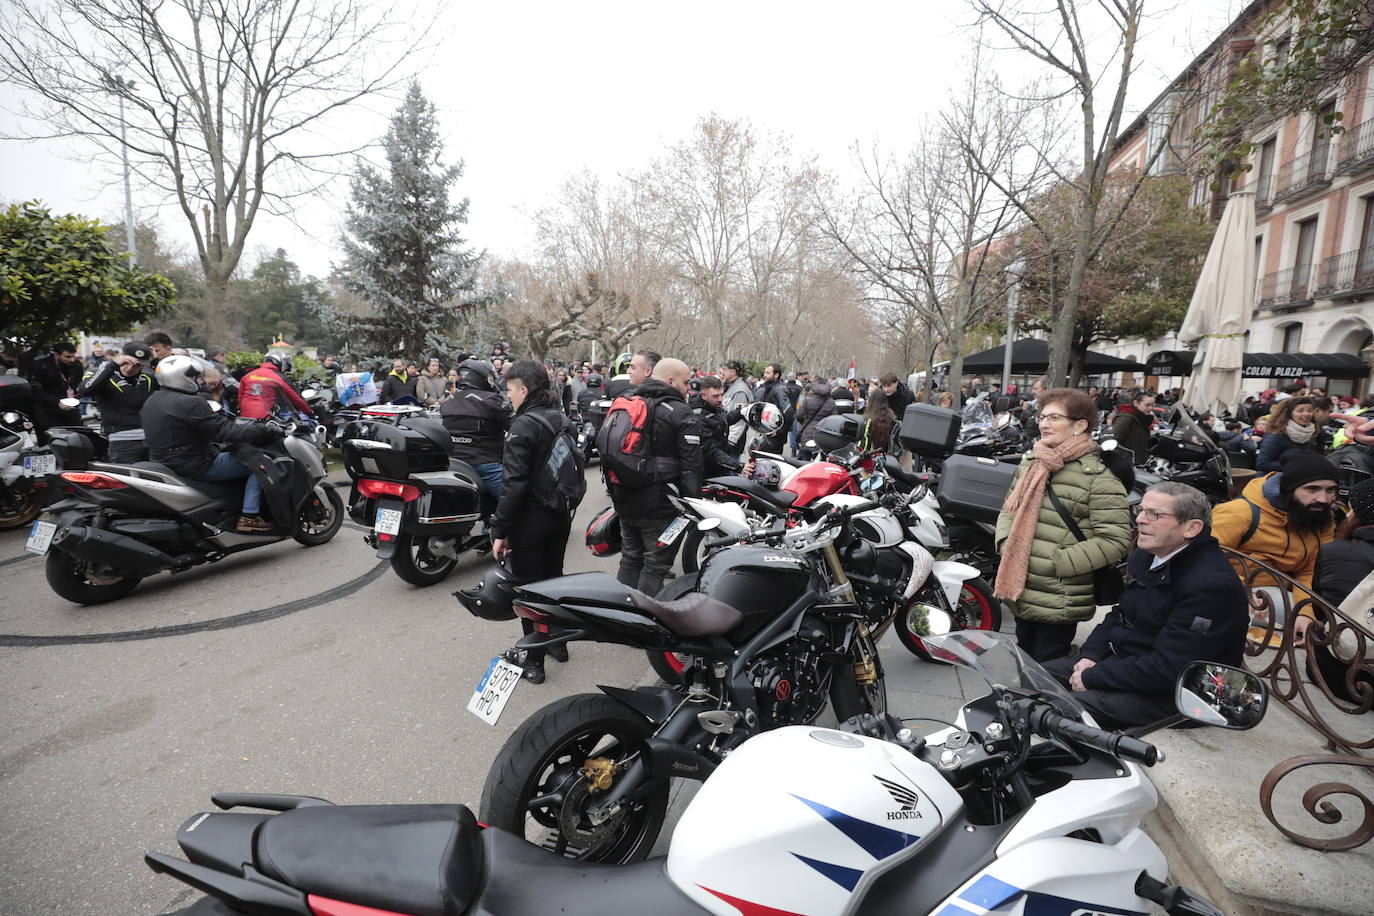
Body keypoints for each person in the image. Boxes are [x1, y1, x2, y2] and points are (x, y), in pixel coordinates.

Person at [1041, 482, 1248, 729]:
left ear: (1192, 528)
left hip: (1178, 694)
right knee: (1026, 676)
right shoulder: (1150, 554)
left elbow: (1170, 669)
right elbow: (1120, 614)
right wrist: (1089, 656)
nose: (1140, 519)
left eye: (1155, 515)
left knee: (1053, 712)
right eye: (1141, 510)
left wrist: (1092, 676)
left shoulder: (1210, 585)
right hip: (1129, 664)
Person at [994, 387, 1133, 662]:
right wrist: (1004, 542)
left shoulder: (1100, 477)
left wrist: (1059, 563)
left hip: (1061, 595)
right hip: (1022, 586)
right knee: (1023, 660)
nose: (1043, 424)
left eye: (1054, 418)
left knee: (1048, 666)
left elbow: (1116, 540)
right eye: (1042, 416)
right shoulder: (1033, 461)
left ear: (1080, 425)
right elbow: (1010, 507)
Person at [489, 360, 577, 684]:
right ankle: (560, 644)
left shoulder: (522, 426)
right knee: (554, 581)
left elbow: (513, 485)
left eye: (510, 389)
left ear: (524, 390)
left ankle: (534, 660)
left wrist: (500, 530)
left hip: (531, 521)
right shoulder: (562, 418)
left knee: (528, 591)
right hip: (560, 515)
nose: (508, 396)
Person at [141, 355, 282, 532]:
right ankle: (250, 516)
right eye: (194, 377)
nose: (199, 381)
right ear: (181, 378)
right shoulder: (191, 402)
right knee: (261, 461)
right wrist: (262, 429)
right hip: (197, 465)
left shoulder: (153, 400)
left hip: (165, 461)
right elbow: (226, 432)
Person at [1212, 453, 1338, 642]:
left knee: (1321, 622)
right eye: (1312, 489)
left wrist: (1305, 614)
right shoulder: (1239, 513)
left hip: (1280, 591)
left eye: (1330, 490)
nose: (1323, 498)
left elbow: (1309, 572)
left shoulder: (1321, 519)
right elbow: (1204, 556)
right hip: (1230, 588)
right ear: (1289, 489)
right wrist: (1239, 591)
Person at [609, 357, 703, 596]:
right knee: (656, 564)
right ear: (671, 381)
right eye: (686, 382)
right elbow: (691, 465)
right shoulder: (681, 412)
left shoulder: (630, 401)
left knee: (630, 558)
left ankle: (619, 615)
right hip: (661, 503)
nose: (689, 388)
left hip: (624, 496)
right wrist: (694, 506)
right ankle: (642, 623)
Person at [440, 359, 510, 511]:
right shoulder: (492, 401)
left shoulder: (448, 401)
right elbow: (517, 427)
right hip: (485, 465)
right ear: (484, 378)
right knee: (515, 504)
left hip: (453, 463)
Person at [76, 344, 157, 462]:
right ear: (121, 357)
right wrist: (112, 365)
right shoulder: (103, 373)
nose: (130, 368)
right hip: (119, 440)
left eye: (137, 365)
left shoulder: (148, 377)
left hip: (149, 439)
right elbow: (83, 391)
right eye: (126, 363)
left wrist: (155, 360)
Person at [24, 341, 83, 432]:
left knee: (78, 436)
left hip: (70, 409)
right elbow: (35, 391)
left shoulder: (76, 366)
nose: (72, 360)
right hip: (46, 411)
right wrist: (57, 402)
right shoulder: (40, 366)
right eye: (67, 357)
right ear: (56, 355)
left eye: (73, 356)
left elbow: (78, 383)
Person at [692, 375, 744, 478]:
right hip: (707, 473)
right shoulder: (698, 417)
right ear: (703, 396)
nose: (720, 399)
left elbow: (722, 421)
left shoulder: (713, 407)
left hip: (721, 467)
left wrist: (740, 412)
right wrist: (738, 466)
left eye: (722, 395)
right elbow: (710, 452)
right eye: (715, 396)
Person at [1256, 396, 1323, 472]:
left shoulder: (1313, 433)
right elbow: (1262, 464)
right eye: (1300, 411)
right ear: (1288, 414)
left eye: (1309, 410)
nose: (1306, 414)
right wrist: (1296, 466)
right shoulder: (1276, 435)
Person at [238, 352, 312, 420]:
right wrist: (309, 412)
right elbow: (296, 398)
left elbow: (240, 398)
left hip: (245, 419)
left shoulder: (247, 376)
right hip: (266, 419)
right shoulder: (279, 377)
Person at [754, 363, 794, 453]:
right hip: (765, 432)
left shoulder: (780, 389)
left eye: (768, 373)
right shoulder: (765, 387)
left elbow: (789, 412)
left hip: (774, 437)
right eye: (765, 372)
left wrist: (779, 431)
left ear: (776, 375)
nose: (765, 375)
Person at [1109, 389, 1155, 465]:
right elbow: (1114, 441)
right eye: (1147, 405)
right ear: (1136, 403)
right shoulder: (1126, 419)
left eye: (1152, 405)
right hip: (1127, 465)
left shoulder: (1143, 419)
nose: (1150, 408)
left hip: (1138, 464)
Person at [795, 377, 836, 459]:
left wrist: (804, 422)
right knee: (820, 457)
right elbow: (834, 419)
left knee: (804, 458)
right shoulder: (831, 403)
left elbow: (799, 415)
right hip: (823, 434)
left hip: (807, 433)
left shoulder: (807, 400)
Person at [719, 360, 753, 457]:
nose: (721, 373)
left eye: (724, 370)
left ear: (733, 372)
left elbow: (739, 421)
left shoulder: (740, 391)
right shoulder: (729, 387)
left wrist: (730, 443)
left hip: (732, 443)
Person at [859, 386, 895, 452]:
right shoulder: (891, 416)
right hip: (886, 454)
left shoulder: (867, 418)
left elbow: (864, 441)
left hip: (870, 454)